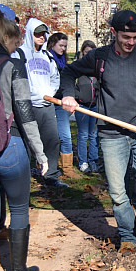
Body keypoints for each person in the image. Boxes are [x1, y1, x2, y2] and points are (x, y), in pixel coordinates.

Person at [60, 10, 136, 253]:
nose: (131, 42)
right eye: (125, 37)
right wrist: (68, 93)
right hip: (110, 133)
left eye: (135, 37)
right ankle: (127, 236)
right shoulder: (100, 57)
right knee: (118, 191)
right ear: (113, 33)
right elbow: (69, 72)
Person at [0, 5, 46, 271]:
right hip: (9, 147)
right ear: (7, 37)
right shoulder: (11, 65)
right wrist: (40, 153)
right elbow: (25, 114)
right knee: (19, 208)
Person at [17, 18, 68, 187]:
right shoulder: (19, 54)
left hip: (47, 105)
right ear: (30, 33)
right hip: (28, 105)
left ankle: (51, 175)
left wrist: (50, 93)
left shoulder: (47, 56)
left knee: (52, 140)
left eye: (43, 34)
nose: (41, 37)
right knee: (27, 141)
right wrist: (30, 95)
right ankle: (24, 175)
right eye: (37, 34)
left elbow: (55, 77)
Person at [47, 32, 80, 179]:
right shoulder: (46, 59)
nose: (63, 49)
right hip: (47, 102)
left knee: (65, 136)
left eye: (65, 46)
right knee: (49, 136)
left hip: (61, 103)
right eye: (61, 45)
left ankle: (67, 168)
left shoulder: (64, 62)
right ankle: (45, 166)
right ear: (52, 44)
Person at [74, 40, 99, 173]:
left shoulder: (97, 69)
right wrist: (76, 97)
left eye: (91, 52)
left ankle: (93, 160)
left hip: (94, 106)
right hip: (82, 106)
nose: (89, 55)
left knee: (93, 134)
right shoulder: (78, 67)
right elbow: (70, 81)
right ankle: (83, 161)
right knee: (83, 135)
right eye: (86, 52)